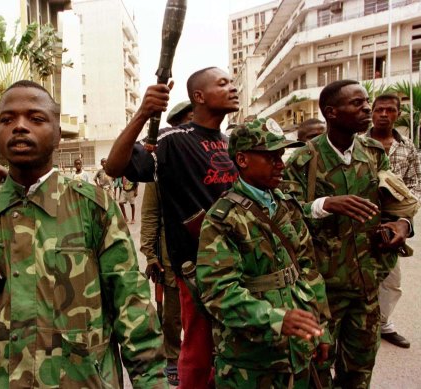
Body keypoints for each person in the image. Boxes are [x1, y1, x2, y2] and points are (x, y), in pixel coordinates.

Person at [0, 80, 167, 388]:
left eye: (36, 118)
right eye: (7, 120)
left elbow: (133, 309)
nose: (20, 127)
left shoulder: (93, 207)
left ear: (57, 134)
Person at [106, 67, 239, 389]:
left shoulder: (231, 143)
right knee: (198, 351)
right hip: (198, 267)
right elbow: (115, 166)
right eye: (223, 83)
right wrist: (142, 113)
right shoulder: (172, 141)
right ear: (199, 96)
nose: (233, 88)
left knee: (233, 349)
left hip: (238, 262)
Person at [284, 80, 413, 388]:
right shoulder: (304, 160)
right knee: (317, 371)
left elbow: (396, 204)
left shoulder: (373, 153)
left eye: (365, 101)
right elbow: (283, 217)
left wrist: (401, 227)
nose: (366, 108)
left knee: (358, 371)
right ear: (331, 112)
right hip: (322, 291)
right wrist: (325, 204)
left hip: (367, 288)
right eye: (357, 103)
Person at [196, 118, 330, 388]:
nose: (280, 163)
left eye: (281, 155)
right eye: (271, 157)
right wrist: (278, 319)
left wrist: (322, 329)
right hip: (251, 359)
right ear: (242, 160)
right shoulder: (223, 219)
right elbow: (219, 292)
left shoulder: (286, 205)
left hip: (298, 350)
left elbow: (308, 269)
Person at [141, 99, 193, 385]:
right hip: (171, 254)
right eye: (186, 123)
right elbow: (149, 214)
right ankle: (173, 357)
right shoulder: (161, 165)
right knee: (172, 314)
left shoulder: (211, 156)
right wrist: (150, 254)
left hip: (208, 252)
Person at [366, 94, 421, 349]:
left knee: (391, 278)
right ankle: (359, 323)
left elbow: (414, 186)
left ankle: (383, 323)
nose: (383, 114)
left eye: (389, 110)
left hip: (392, 222)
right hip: (361, 217)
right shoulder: (358, 142)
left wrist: (403, 220)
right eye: (379, 110)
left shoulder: (407, 147)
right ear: (372, 112)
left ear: (397, 114)